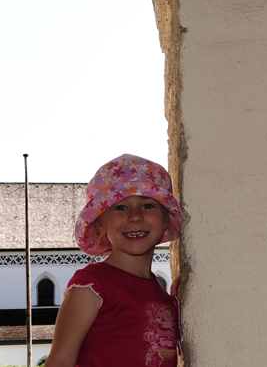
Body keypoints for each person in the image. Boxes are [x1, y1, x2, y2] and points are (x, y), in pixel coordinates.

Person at [45, 154, 184, 367]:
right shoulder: (92, 285)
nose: (135, 216)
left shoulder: (161, 295)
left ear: (166, 220)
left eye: (147, 206)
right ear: (100, 225)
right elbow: (60, 360)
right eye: (120, 207)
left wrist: (175, 301)